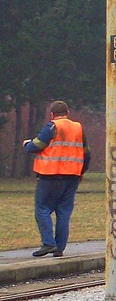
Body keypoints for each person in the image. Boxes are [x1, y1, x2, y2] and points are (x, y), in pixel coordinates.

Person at [22, 100, 90, 258]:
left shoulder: (52, 126)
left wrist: (27, 144)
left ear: (52, 114)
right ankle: (59, 248)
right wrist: (81, 172)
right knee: (64, 212)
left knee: (42, 209)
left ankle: (48, 243)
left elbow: (37, 145)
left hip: (50, 176)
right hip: (72, 177)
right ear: (67, 112)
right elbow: (87, 153)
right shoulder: (78, 128)